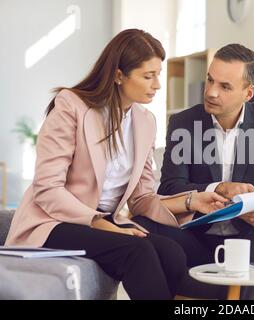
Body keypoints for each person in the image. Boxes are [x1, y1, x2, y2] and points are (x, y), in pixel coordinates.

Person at [5, 29, 226, 300]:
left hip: (101, 222)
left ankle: (237, 296)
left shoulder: (145, 121)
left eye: (158, 74)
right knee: (138, 251)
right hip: (53, 222)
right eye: (148, 76)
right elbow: (47, 188)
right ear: (119, 75)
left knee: (171, 252)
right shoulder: (71, 106)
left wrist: (193, 201)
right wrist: (100, 222)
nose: (157, 84)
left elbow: (141, 197)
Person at [139, 43, 254, 299]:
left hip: (249, 238)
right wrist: (216, 190)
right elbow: (169, 188)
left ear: (248, 92)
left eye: (225, 86)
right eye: (210, 80)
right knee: (142, 224)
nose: (211, 92)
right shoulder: (184, 124)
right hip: (197, 239)